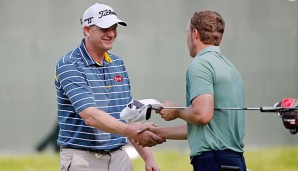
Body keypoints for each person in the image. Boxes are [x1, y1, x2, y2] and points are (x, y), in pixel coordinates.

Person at [55, 3, 164, 171]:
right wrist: (131, 132)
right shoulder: (69, 64)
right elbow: (90, 115)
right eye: (105, 28)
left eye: (114, 28)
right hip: (82, 159)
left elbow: (129, 115)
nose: (112, 34)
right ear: (87, 30)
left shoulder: (118, 63)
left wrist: (148, 158)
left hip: (119, 157)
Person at [147, 10, 247, 171]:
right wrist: (159, 133)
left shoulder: (201, 64)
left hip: (213, 161)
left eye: (187, 32)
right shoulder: (230, 68)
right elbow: (204, 130)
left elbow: (202, 114)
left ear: (195, 34)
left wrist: (176, 111)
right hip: (233, 160)